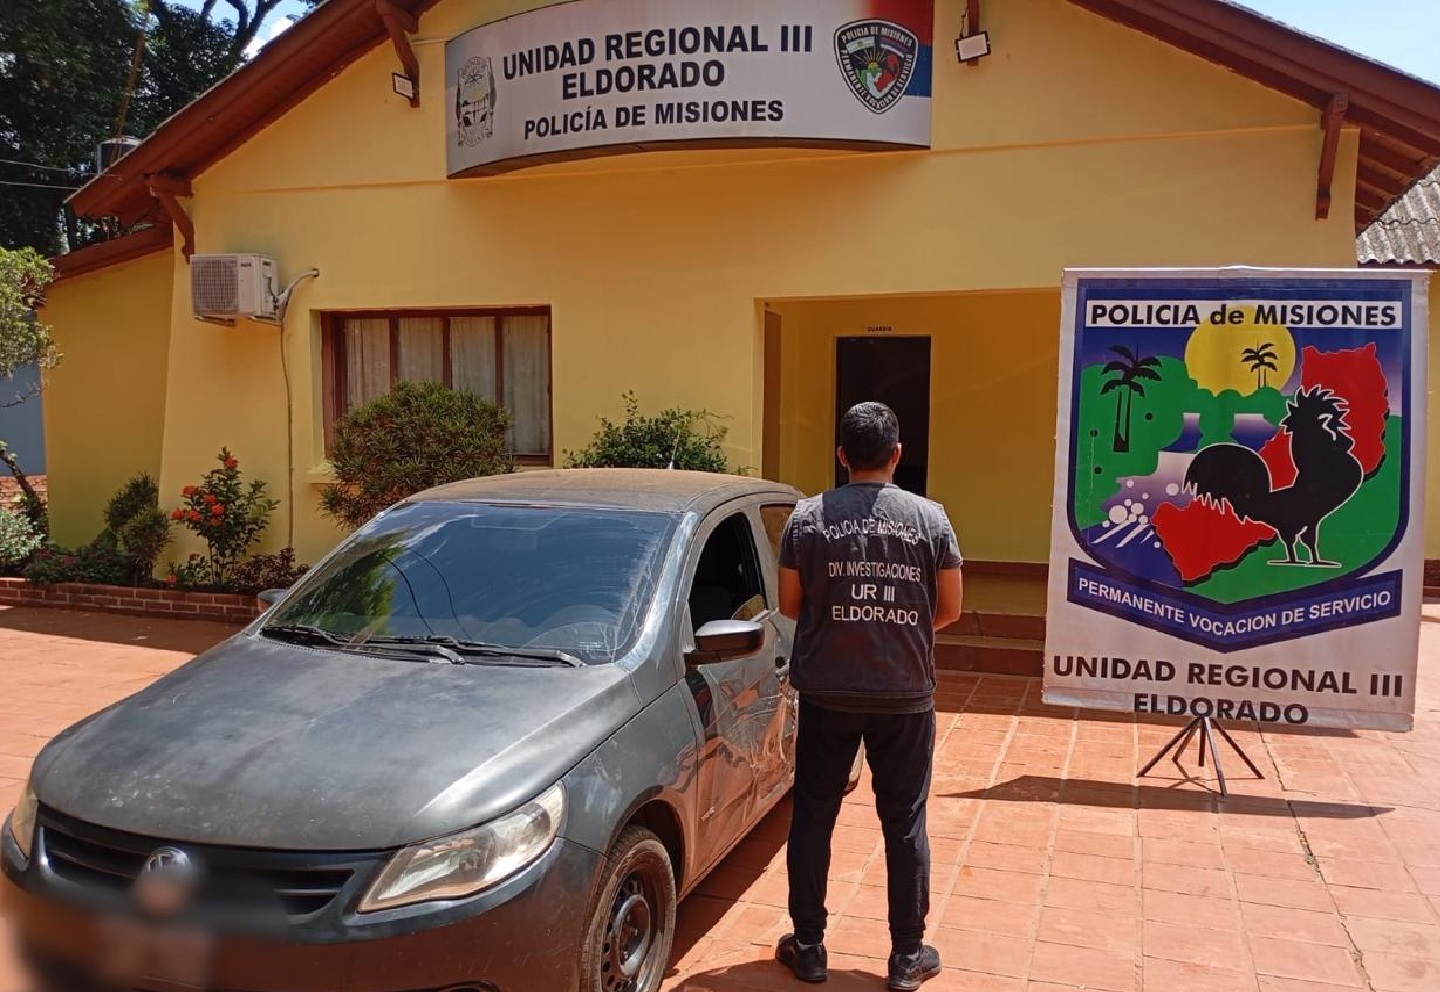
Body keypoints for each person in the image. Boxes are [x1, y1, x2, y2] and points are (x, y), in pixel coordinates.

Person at [774, 401, 964, 991]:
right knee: (904, 820)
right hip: (904, 693)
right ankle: (907, 955)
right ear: (897, 454)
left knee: (813, 816)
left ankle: (808, 946)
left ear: (841, 456)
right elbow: (951, 609)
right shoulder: (932, 520)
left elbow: (789, 605)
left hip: (828, 691)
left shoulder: (806, 519)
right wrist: (895, 624)